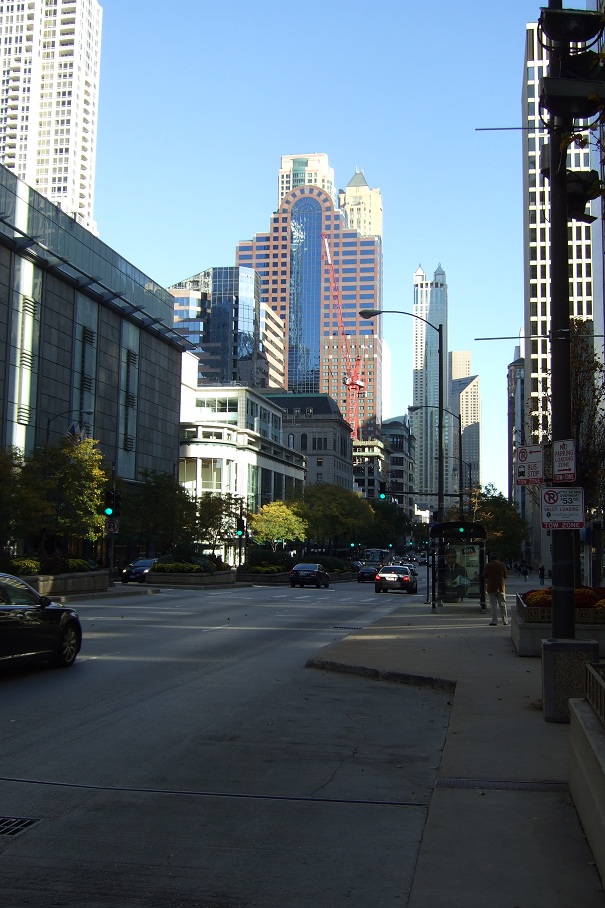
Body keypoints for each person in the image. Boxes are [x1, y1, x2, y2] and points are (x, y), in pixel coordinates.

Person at [483, 555, 508, 626]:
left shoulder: (488, 565)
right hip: (500, 587)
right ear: (497, 559)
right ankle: (505, 621)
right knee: (503, 604)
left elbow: (484, 575)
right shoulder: (502, 565)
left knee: (493, 606)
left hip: (491, 587)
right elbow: (505, 576)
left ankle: (494, 621)